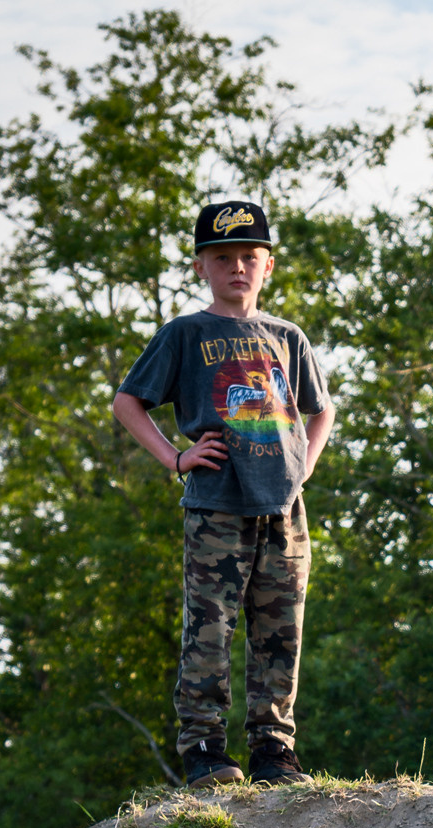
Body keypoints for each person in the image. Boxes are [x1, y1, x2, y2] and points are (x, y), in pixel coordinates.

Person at [112, 199, 334, 786]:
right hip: (217, 504)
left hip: (284, 508)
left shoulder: (287, 336)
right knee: (209, 630)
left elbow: (321, 409)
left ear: (268, 265)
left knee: (280, 631)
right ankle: (205, 749)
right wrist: (176, 458)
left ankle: (273, 751)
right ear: (200, 267)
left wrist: (301, 468)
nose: (238, 267)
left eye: (249, 257)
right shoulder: (187, 333)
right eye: (223, 257)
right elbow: (127, 401)